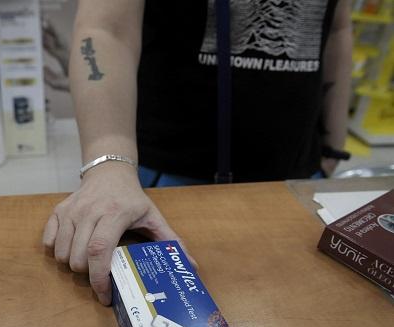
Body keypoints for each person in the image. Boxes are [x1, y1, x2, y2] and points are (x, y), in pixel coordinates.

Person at [43, 0, 353, 305]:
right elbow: (107, 28)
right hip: (165, 181)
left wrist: (333, 145)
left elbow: (336, 27)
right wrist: (108, 164)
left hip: (295, 177)